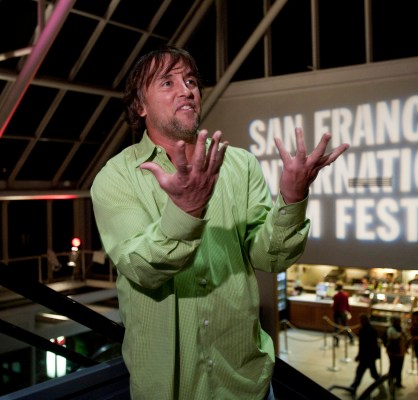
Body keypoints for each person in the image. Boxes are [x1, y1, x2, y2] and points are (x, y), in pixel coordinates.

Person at [90, 45, 349, 400]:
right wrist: (186, 212)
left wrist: (291, 198)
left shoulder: (239, 165)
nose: (187, 90)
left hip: (248, 384)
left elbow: (270, 258)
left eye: (191, 81)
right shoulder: (115, 178)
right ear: (140, 105)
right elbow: (142, 268)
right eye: (168, 82)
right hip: (168, 390)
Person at [349, 313, 381, 394]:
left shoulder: (364, 330)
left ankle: (354, 387)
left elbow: (363, 345)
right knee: (365, 372)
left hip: (367, 356)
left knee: (367, 373)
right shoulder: (371, 329)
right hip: (370, 356)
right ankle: (354, 387)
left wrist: (359, 355)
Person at [386, 316, 408, 390]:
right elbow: (395, 336)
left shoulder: (400, 329)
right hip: (393, 351)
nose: (399, 323)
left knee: (399, 368)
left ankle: (398, 382)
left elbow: (405, 337)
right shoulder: (391, 329)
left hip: (401, 351)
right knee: (393, 367)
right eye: (397, 321)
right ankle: (390, 381)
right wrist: (402, 334)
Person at [332, 281, 353, 346]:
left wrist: (332, 307)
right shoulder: (346, 295)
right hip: (343, 312)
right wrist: (349, 311)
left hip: (337, 313)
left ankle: (337, 341)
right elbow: (347, 304)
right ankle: (351, 337)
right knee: (346, 326)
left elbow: (335, 306)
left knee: (336, 327)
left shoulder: (336, 296)